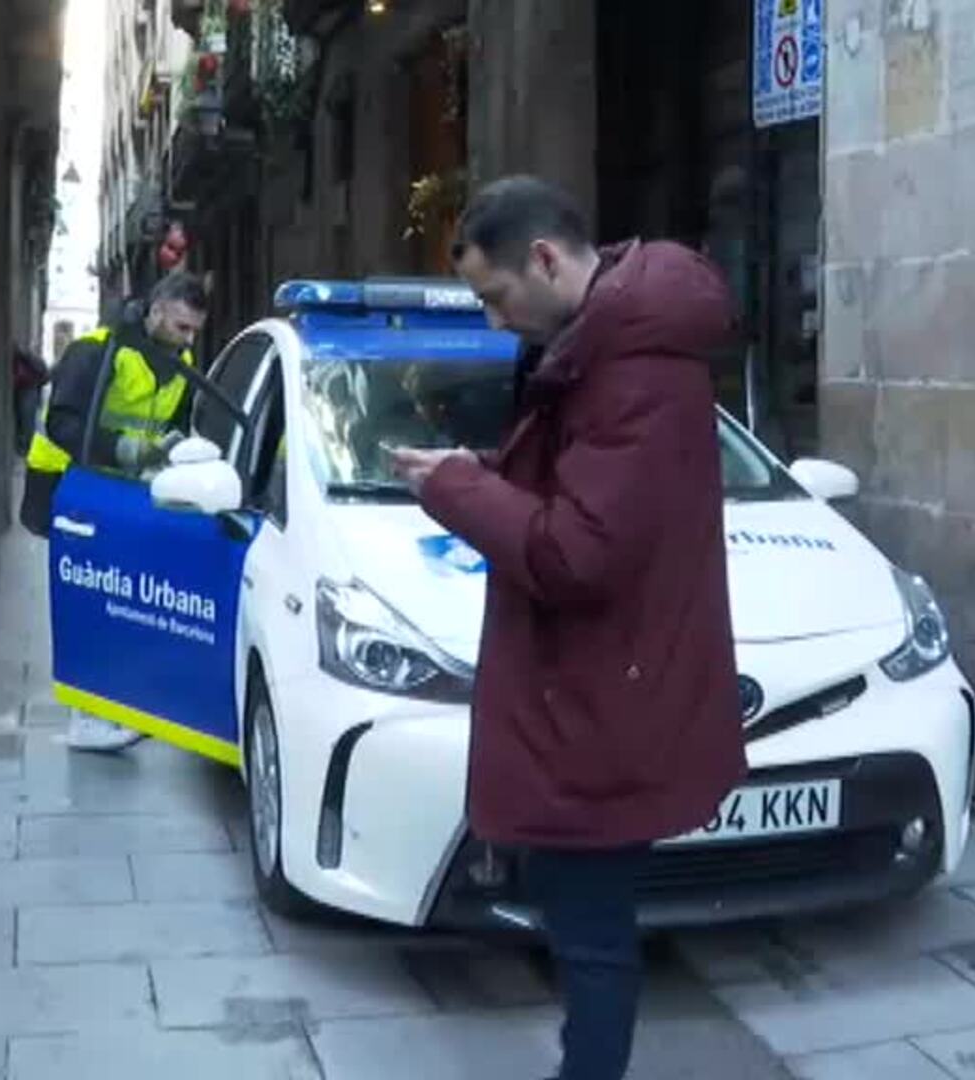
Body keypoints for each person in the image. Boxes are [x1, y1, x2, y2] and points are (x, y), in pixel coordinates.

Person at [389, 176, 747, 1080]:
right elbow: (589, 500)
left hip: (605, 702)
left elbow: (575, 554)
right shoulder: (611, 346)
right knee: (586, 931)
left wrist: (455, 490)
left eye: (496, 298)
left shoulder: (630, 365)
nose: (496, 323)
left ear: (545, 258)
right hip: (599, 689)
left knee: (592, 941)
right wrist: (483, 471)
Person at [21, 270, 210, 752]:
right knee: (87, 600)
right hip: (68, 487)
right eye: (181, 327)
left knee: (114, 602)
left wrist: (169, 447)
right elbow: (61, 421)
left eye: (194, 331)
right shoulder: (96, 351)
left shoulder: (181, 364)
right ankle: (86, 717)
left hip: (118, 494)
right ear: (156, 311)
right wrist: (123, 449)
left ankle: (109, 706)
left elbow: (173, 423)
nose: (189, 340)